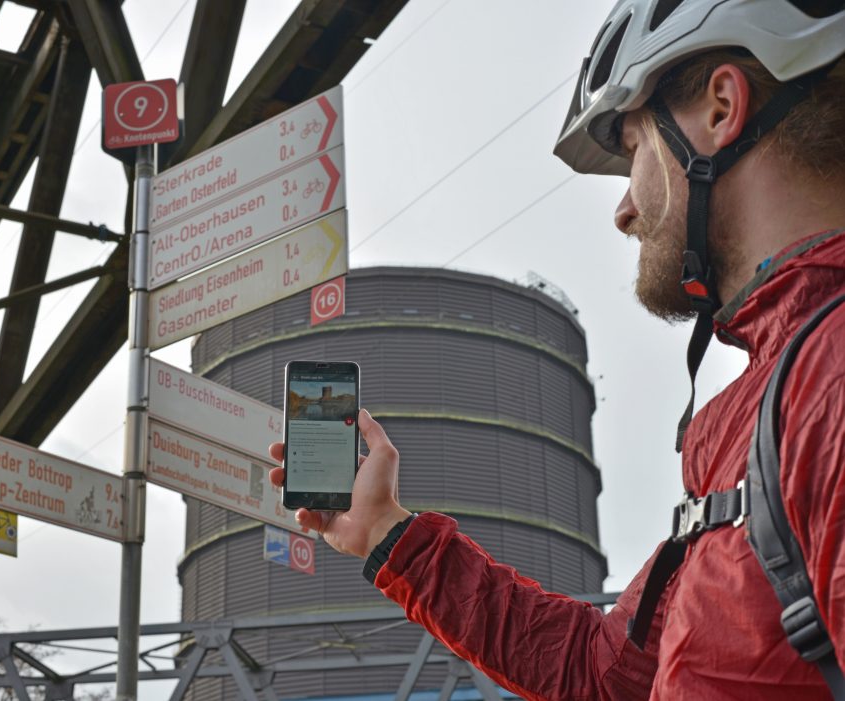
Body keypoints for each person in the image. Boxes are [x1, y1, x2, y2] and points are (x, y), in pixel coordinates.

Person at [269, 1, 845, 698]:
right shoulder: (778, 399)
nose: (625, 210)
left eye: (633, 149)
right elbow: (602, 672)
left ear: (722, 108)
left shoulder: (829, 380)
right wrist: (388, 533)